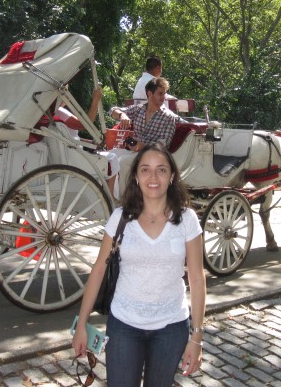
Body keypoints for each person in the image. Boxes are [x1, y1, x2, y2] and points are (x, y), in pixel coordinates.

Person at [72, 144, 206, 387]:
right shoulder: (121, 217)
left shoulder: (186, 219)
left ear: (172, 176)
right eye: (145, 170)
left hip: (172, 326)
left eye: (161, 170)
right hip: (124, 325)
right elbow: (99, 269)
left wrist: (196, 336)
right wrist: (81, 323)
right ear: (136, 176)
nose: (153, 177)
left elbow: (197, 278)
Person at [110, 77, 177, 152]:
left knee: (122, 160)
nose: (163, 97)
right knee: (110, 155)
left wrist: (143, 147)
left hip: (152, 156)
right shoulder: (138, 109)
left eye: (164, 93)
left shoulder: (168, 117)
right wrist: (122, 115)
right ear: (150, 94)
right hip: (132, 152)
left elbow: (163, 144)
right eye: (160, 93)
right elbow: (112, 111)